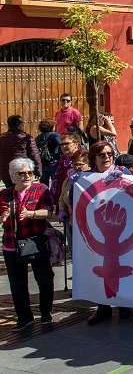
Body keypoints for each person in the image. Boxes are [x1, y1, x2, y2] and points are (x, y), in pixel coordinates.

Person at [0, 158, 54, 331]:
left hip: (35, 241)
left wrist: (30, 214)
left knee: (44, 279)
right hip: (11, 244)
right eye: (21, 173)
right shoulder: (4, 194)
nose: (26, 176)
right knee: (17, 284)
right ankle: (24, 317)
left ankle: (46, 312)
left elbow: (48, 211)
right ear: (12, 176)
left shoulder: (41, 189)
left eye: (29, 172)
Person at [86, 141, 132, 325]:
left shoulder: (123, 171)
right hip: (96, 228)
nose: (106, 158)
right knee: (99, 267)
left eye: (109, 154)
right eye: (102, 155)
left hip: (121, 225)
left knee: (122, 264)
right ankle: (102, 307)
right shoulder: (86, 176)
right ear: (94, 158)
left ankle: (124, 304)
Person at [0, 115, 41, 188]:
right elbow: (34, 154)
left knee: (9, 192)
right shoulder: (26, 137)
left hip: (6, 171)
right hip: (22, 171)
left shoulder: (2, 137)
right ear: (20, 125)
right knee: (22, 191)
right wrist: (38, 170)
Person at [35, 119, 61, 186]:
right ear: (52, 127)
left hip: (43, 163)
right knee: (56, 184)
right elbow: (61, 144)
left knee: (43, 185)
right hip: (53, 161)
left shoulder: (38, 137)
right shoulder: (54, 135)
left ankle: (44, 196)